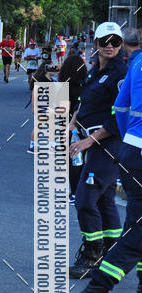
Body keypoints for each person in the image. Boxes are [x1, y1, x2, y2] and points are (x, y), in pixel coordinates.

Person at [70, 47, 142, 293]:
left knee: (136, 229)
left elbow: (120, 108)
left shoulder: (136, 63)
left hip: (132, 150)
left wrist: (131, 141)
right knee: (136, 236)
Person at [67, 22, 128, 278]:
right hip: (91, 144)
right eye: (105, 42)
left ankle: (93, 256)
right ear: (96, 45)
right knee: (104, 201)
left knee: (84, 199)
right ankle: (112, 255)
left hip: (107, 145)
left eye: (116, 41)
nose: (111, 46)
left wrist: (89, 140)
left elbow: (118, 116)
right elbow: (87, 103)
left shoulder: (120, 74)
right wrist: (72, 122)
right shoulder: (95, 70)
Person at [58, 49, 88, 201]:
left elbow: (64, 109)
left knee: (72, 159)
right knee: (83, 159)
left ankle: (75, 192)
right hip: (86, 126)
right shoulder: (86, 84)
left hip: (70, 126)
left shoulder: (65, 86)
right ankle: (82, 191)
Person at [27, 52, 57, 152]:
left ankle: (51, 145)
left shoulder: (52, 80)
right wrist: (33, 108)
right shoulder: (41, 80)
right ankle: (32, 146)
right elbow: (34, 95)